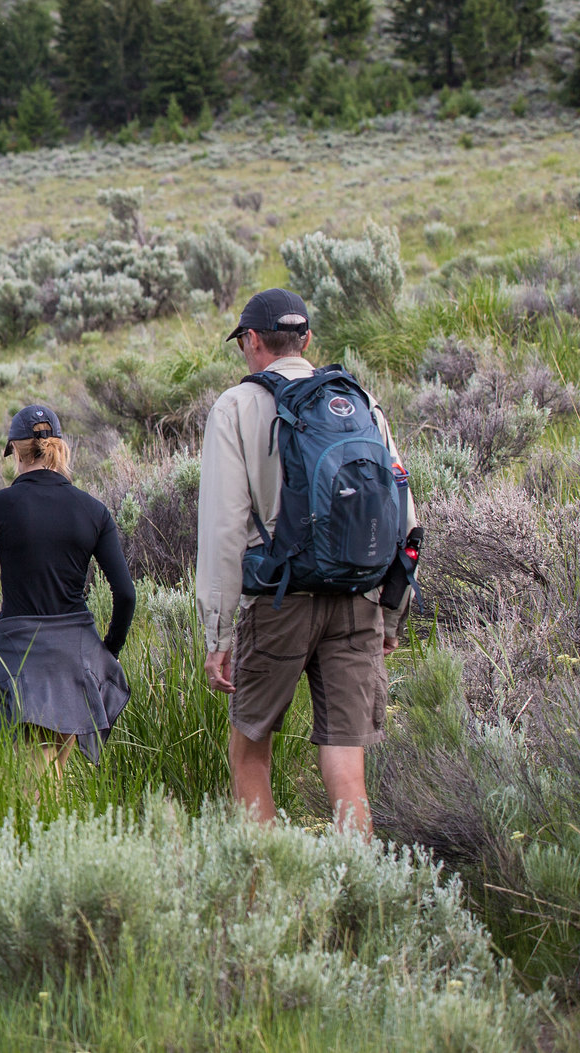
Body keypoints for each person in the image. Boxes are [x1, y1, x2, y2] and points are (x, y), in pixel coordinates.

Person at [197, 288, 418, 837]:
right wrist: (392, 613)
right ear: (307, 340)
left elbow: (225, 531)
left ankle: (267, 892)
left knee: (250, 752)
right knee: (347, 767)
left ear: (251, 341)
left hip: (278, 601)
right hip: (358, 600)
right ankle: (363, 897)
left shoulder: (237, 407)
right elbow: (405, 517)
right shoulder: (360, 402)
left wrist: (218, 635)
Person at [0, 405, 134, 772]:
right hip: (76, 653)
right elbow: (126, 594)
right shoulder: (93, 510)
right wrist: (107, 652)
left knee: (34, 780)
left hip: (24, 653)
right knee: (51, 772)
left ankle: (40, 832)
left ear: (16, 451)